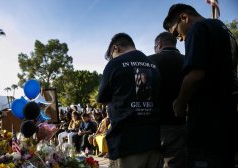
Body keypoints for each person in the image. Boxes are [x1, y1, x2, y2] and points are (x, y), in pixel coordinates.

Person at [163, 4, 238, 167]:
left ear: (184, 17)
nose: (180, 39)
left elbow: (196, 75)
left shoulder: (197, 29)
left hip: (206, 125)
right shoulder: (222, 28)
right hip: (227, 122)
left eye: (176, 33)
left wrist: (180, 103)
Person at [97, 33, 161, 167]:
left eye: (111, 55)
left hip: (126, 142)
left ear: (116, 48)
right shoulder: (153, 65)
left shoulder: (114, 64)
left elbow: (102, 98)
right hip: (154, 140)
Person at [149, 31, 186, 168]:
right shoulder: (188, 59)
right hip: (180, 121)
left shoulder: (149, 61)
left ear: (159, 44)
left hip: (153, 123)